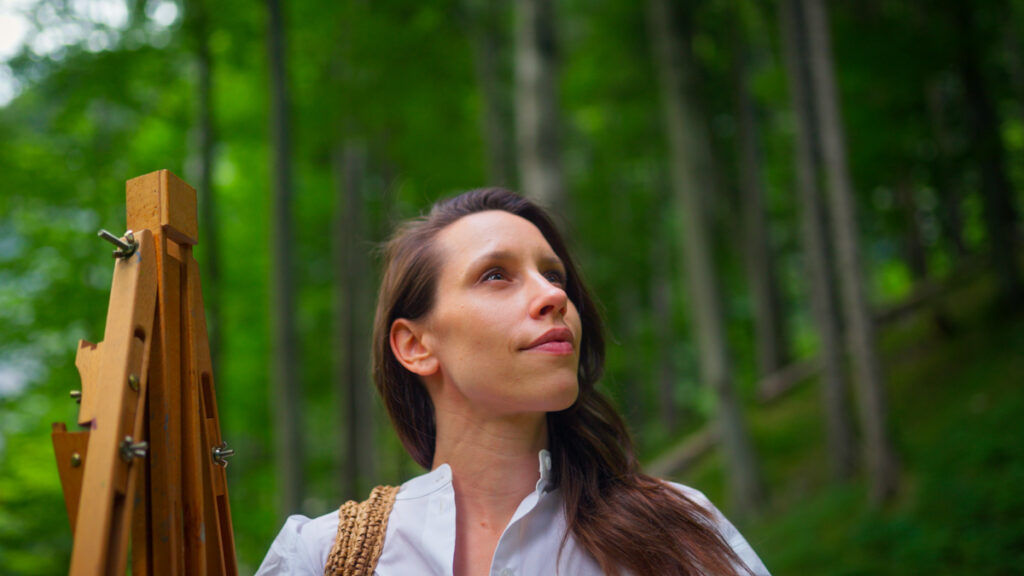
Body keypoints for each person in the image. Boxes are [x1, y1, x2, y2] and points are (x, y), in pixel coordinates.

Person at [256, 188, 770, 575]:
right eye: (496, 275)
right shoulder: (323, 557)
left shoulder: (675, 532)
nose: (554, 296)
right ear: (415, 346)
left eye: (555, 275)